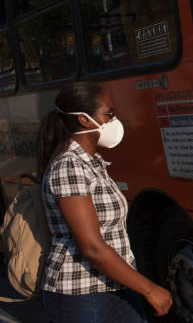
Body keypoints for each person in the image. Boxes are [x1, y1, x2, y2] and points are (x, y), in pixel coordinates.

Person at [36, 82, 172, 322]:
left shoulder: (91, 162)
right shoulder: (69, 166)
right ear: (84, 120)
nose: (114, 120)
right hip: (83, 294)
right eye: (109, 114)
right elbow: (92, 247)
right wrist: (149, 289)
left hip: (114, 285)